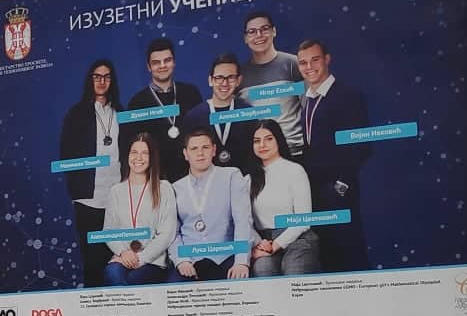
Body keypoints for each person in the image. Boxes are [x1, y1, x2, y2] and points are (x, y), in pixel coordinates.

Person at [293, 38, 371, 271]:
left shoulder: (347, 95)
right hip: (313, 194)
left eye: (314, 60)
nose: (309, 67)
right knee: (324, 258)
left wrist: (341, 185)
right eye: (303, 63)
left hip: (338, 193)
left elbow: (362, 146)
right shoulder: (306, 100)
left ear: (327, 59)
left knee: (348, 255)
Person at [58, 59, 122, 287]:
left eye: (106, 76)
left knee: (116, 260)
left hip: (117, 198)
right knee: (92, 262)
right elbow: (66, 153)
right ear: (89, 80)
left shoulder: (120, 112)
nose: (102, 81)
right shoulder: (76, 114)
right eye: (97, 76)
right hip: (88, 199)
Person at [168, 127, 252, 281]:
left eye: (205, 147)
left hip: (226, 256)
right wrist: (181, 260)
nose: (200, 153)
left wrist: (241, 262)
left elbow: (243, 222)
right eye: (194, 149)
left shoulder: (231, 176)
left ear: (214, 150)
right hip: (190, 260)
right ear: (186, 154)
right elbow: (172, 233)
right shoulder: (174, 188)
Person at [100, 132, 176, 284]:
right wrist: (123, 252)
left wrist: (140, 258)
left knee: (133, 279)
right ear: (127, 155)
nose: (138, 158)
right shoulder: (116, 191)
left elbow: (167, 234)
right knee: (112, 273)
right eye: (134, 152)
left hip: (153, 261)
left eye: (145, 153)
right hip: (123, 258)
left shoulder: (164, 188)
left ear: (152, 158)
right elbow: (108, 231)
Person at [246, 120, 319, 276]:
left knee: (294, 272)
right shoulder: (248, 180)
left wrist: (276, 245)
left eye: (269, 138)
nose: (262, 145)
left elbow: (303, 220)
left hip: (298, 239)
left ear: (278, 139)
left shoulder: (295, 170)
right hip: (264, 241)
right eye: (256, 141)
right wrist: (260, 243)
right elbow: (244, 220)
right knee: (263, 269)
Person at [125, 37, 201, 181]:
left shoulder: (191, 93)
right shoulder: (136, 102)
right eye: (156, 62)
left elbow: (202, 133)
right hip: (155, 178)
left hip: (192, 174)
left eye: (167, 60)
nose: (162, 66)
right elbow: (131, 146)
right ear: (148, 67)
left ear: (174, 62)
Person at [237, 10, 305, 154]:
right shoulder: (239, 75)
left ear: (274, 31)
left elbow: (309, 110)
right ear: (245, 38)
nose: (259, 35)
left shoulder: (294, 64)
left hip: (295, 153)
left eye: (264, 29)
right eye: (252, 32)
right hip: (260, 157)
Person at [177, 52, 252, 169]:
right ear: (210, 80)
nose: (225, 83)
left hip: (243, 182)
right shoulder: (194, 117)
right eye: (219, 78)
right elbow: (185, 159)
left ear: (239, 80)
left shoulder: (248, 113)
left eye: (231, 77)